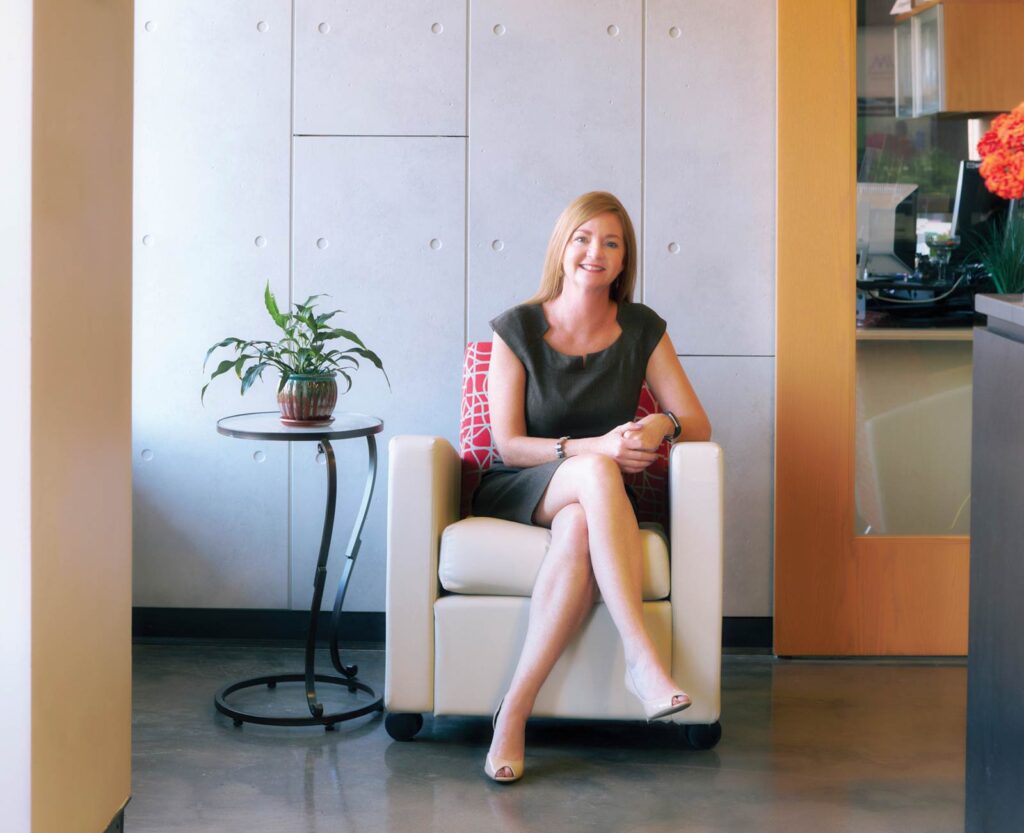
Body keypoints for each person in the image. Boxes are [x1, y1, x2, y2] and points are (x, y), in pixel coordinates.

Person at [472, 191, 712, 783]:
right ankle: (641, 656)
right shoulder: (518, 328)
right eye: (583, 238)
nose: (594, 252)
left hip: (592, 504)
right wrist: (596, 449)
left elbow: (696, 422)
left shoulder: (641, 329)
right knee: (597, 475)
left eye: (611, 242)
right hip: (524, 484)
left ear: (624, 259)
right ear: (562, 246)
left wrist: (659, 423)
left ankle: (514, 712)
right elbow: (508, 444)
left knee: (580, 522)